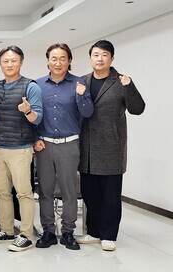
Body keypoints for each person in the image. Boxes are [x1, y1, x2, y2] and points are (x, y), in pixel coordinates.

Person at [77, 40, 145, 251]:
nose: (100, 58)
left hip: (111, 147)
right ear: (90, 58)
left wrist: (130, 86)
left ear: (111, 58)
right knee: (90, 193)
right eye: (96, 55)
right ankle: (94, 231)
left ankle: (109, 235)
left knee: (110, 195)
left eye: (104, 55)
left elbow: (138, 109)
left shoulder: (121, 81)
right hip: (86, 148)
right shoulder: (82, 81)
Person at [0, 45, 43, 252]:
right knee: (1, 192)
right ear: (0, 64)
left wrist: (28, 111)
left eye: (13, 60)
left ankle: (25, 234)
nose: (9, 64)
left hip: (21, 149)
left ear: (21, 62)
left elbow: (37, 118)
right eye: (5, 61)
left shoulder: (30, 87)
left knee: (24, 193)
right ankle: (6, 230)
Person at [33, 43, 93, 250]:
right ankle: (48, 231)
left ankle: (68, 232)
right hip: (44, 145)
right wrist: (35, 138)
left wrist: (81, 95)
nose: (58, 63)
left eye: (63, 59)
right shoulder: (37, 85)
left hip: (69, 145)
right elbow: (32, 117)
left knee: (69, 191)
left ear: (69, 61)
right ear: (48, 61)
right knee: (45, 190)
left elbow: (87, 112)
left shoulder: (79, 83)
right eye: (54, 59)